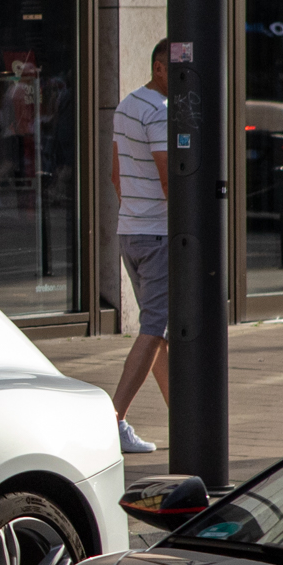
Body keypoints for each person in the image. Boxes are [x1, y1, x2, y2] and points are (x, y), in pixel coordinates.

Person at [110, 39, 172, 455]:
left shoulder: (127, 105)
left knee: (160, 331)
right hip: (157, 233)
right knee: (153, 330)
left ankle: (184, 417)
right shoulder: (161, 114)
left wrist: (134, 209)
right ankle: (112, 421)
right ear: (159, 67)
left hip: (130, 230)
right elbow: (172, 182)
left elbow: (115, 173)